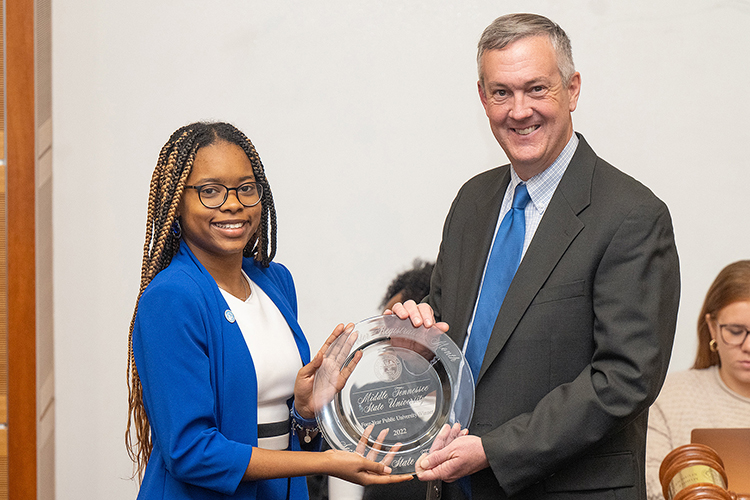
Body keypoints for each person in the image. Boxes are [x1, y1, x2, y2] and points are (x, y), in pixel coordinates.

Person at [403, 13, 681, 500]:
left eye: (536, 89)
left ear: (572, 90)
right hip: (453, 485)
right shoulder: (472, 202)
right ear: (482, 97)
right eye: (501, 93)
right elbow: (451, 338)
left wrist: (495, 448)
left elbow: (625, 378)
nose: (519, 110)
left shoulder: (632, 216)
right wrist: (408, 338)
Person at [125, 121, 415, 499]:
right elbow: (190, 452)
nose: (233, 203)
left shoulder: (274, 282)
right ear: (177, 200)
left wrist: (306, 413)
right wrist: (325, 463)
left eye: (246, 189)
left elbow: (278, 426)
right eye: (210, 191)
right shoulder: (172, 298)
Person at [646, 261, 750, 500]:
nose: (748, 346)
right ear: (712, 328)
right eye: (735, 331)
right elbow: (651, 488)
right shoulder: (671, 396)